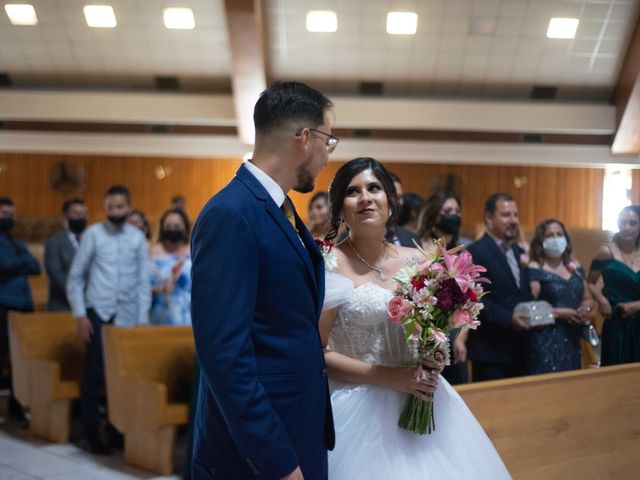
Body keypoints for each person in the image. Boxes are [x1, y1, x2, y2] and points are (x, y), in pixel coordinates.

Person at [319, 158, 510, 479]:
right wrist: (386, 377)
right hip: (356, 408)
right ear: (340, 208)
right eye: (353, 192)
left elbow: (437, 326)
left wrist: (435, 353)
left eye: (374, 188)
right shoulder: (330, 263)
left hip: (422, 397)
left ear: (391, 202)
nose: (365, 197)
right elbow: (317, 354)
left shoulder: (420, 260)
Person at [190, 81, 336, 480]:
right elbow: (224, 356)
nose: (327, 155)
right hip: (257, 453)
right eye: (329, 140)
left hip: (295, 431)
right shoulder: (231, 214)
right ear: (304, 138)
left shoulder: (281, 208)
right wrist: (279, 462)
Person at [67, 185, 151, 454]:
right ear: (105, 208)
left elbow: (143, 283)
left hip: (127, 317)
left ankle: (117, 431)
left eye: (120, 207)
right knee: (94, 376)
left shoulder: (138, 238)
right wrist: (80, 314)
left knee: (121, 378)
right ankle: (90, 433)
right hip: (97, 313)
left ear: (128, 207)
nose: (115, 212)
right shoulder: (92, 234)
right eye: (111, 207)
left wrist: (142, 320)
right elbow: (76, 277)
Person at [467, 193, 533, 381]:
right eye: (506, 215)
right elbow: (477, 299)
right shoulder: (476, 252)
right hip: (491, 353)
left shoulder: (519, 252)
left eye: (515, 215)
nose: (513, 220)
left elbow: (522, 293)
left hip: (521, 349)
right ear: (489, 217)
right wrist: (509, 318)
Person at [416, 191, 472, 384]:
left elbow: (470, 301)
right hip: (423, 334)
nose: (454, 215)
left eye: (457, 211)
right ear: (433, 215)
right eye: (448, 210)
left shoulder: (463, 252)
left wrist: (461, 338)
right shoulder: (418, 249)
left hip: (453, 334)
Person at [527, 218, 595, 374]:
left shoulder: (575, 267)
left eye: (559, 234)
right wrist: (560, 313)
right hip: (545, 341)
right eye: (550, 235)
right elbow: (528, 310)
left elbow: (587, 298)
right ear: (540, 241)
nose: (556, 239)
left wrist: (586, 308)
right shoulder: (535, 269)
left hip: (572, 340)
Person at [0, 197, 40, 420]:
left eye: (12, 214)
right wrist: (21, 262)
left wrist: (19, 262)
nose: (9, 218)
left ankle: (17, 406)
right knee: (2, 356)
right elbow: (4, 265)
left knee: (19, 358)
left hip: (23, 306)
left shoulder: (17, 243)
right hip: (4, 306)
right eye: (4, 213)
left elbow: (35, 267)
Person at [587, 205, 640, 365]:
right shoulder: (606, 252)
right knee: (615, 373)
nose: (627, 227)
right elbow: (589, 282)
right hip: (617, 322)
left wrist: (635, 306)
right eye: (623, 222)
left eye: (633, 223)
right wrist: (602, 300)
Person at [44, 198, 88, 311]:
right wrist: (80, 295)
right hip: (62, 307)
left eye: (84, 215)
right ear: (65, 217)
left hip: (87, 307)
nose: (82, 218)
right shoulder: (55, 242)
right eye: (77, 214)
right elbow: (56, 276)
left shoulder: (89, 241)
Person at [149, 209, 192, 325]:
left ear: (185, 228)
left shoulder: (194, 251)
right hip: (160, 316)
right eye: (169, 226)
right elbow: (143, 290)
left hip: (189, 316)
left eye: (177, 226)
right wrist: (159, 290)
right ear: (162, 228)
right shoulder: (152, 254)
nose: (173, 229)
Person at [388, 172, 421, 247]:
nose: (396, 201)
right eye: (392, 196)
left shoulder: (413, 239)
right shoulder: (362, 239)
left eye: (399, 197)